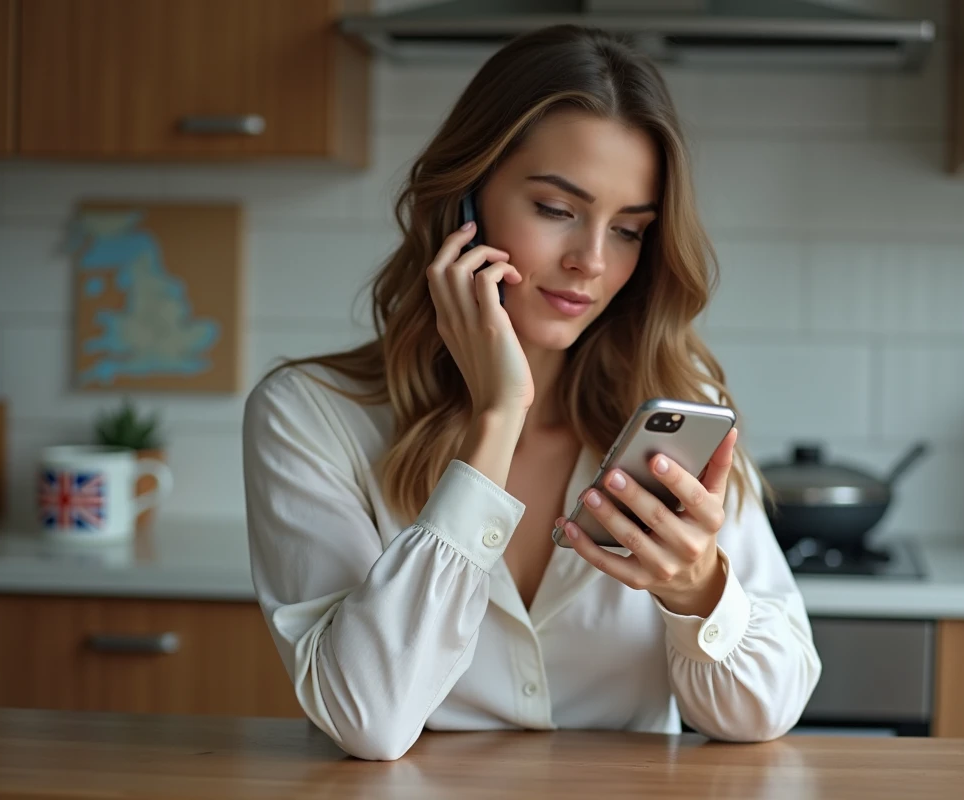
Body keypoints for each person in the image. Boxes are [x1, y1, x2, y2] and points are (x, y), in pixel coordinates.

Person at [243, 24, 821, 762]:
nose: (590, 261)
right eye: (556, 210)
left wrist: (697, 587)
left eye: (630, 231)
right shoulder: (309, 416)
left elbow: (764, 712)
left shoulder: (675, 407)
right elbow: (368, 721)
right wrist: (496, 418)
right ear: (465, 202)